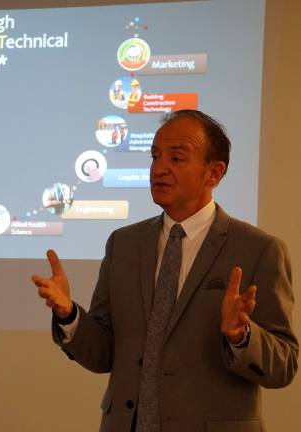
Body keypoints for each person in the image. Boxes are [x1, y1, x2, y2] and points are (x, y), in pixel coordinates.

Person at [32, 110, 298, 432]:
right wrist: (68, 314)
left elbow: (284, 366)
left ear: (213, 173)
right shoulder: (123, 244)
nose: (159, 168)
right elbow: (103, 354)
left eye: (177, 158)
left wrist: (240, 336)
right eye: (155, 156)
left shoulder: (259, 250)